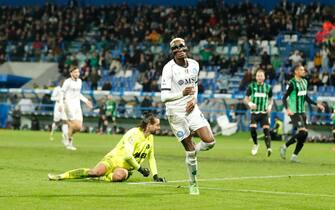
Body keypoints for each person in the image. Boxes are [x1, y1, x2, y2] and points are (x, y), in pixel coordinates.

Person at [160, 37, 215, 195]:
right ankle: (193, 184)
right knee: (189, 151)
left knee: (210, 142)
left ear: (186, 47)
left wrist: (194, 99)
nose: (179, 49)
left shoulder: (195, 65)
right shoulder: (168, 69)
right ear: (172, 52)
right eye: (175, 48)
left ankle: (194, 151)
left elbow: (195, 86)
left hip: (191, 108)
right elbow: (163, 97)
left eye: (181, 46)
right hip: (175, 112)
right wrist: (181, 94)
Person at [48, 114, 165, 183]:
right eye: (157, 125)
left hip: (126, 168)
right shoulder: (133, 134)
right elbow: (128, 156)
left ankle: (103, 177)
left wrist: (155, 176)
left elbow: (151, 157)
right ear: (149, 125)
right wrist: (140, 169)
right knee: (94, 172)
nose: (159, 128)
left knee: (119, 176)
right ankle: (62, 176)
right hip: (113, 160)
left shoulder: (150, 138)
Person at [280, 64, 325, 162]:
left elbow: (305, 97)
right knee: (303, 132)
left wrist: (317, 104)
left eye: (304, 70)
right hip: (294, 111)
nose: (304, 71)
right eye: (301, 70)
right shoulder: (292, 83)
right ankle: (284, 146)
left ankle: (294, 156)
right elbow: (284, 98)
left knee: (304, 134)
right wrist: (287, 109)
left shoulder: (305, 82)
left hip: (302, 111)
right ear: (296, 72)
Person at [60, 66, 93, 150]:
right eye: (75, 72)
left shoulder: (80, 81)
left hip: (77, 106)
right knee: (75, 125)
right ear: (71, 73)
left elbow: (78, 94)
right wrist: (61, 104)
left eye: (78, 72)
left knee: (78, 127)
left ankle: (66, 136)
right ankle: (69, 143)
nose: (77, 73)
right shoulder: (67, 82)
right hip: (69, 105)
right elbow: (61, 93)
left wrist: (86, 101)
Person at [245, 69, 273, 156]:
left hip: (264, 112)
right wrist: (250, 103)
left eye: (261, 76)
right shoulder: (251, 86)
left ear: (264, 77)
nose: (260, 77)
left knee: (266, 129)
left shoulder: (268, 87)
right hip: (254, 112)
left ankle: (268, 148)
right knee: (253, 128)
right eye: (258, 76)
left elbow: (271, 99)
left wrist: (270, 106)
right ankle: (256, 144)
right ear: (256, 77)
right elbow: (246, 97)